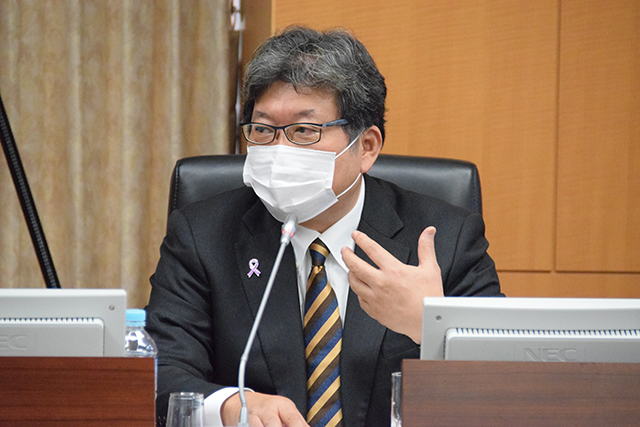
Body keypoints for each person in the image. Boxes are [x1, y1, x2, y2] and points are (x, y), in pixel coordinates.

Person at [145, 26, 502, 427]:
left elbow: (503, 385)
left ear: (366, 147)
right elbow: (161, 369)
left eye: (304, 130)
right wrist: (231, 407)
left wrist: (430, 325)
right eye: (262, 130)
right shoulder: (202, 235)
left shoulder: (446, 239)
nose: (279, 151)